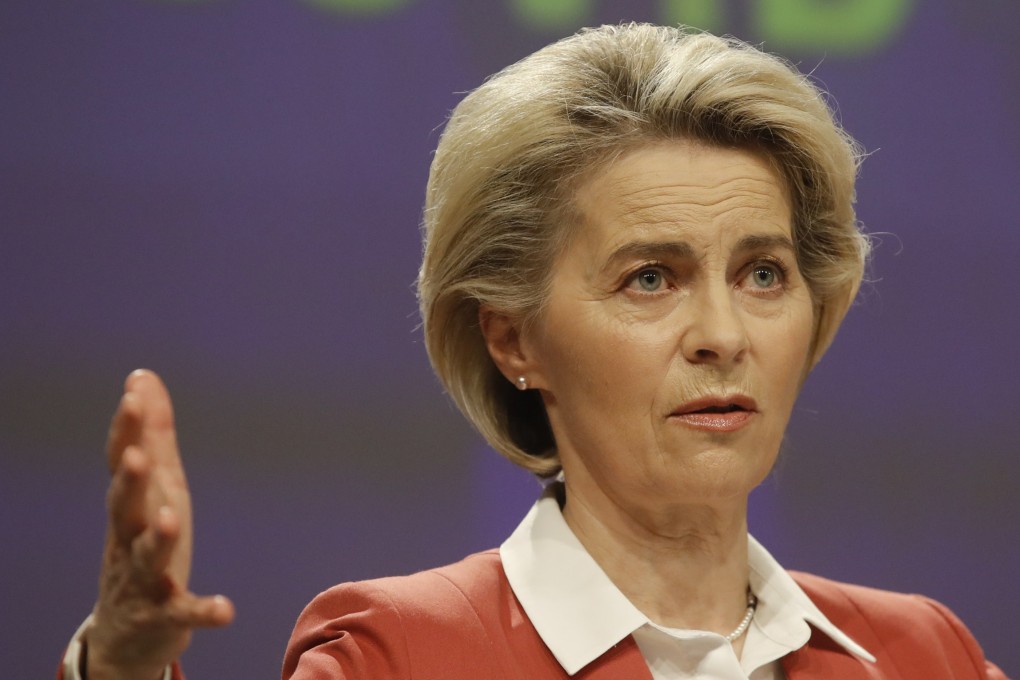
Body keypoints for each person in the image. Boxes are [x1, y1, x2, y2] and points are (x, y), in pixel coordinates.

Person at [61, 23, 1005, 680]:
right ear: (513, 337)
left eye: (763, 274)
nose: (723, 336)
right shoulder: (398, 653)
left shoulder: (922, 654)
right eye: (651, 278)